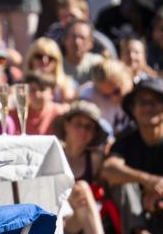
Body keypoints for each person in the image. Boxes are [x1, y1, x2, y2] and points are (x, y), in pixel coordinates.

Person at [101, 77, 163, 234]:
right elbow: (108, 169)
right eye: (142, 102)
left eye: (154, 102)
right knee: (122, 183)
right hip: (135, 213)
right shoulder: (126, 140)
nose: (148, 108)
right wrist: (148, 181)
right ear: (133, 109)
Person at [52, 100, 108, 234]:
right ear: (66, 126)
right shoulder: (53, 151)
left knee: (82, 189)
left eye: (88, 127)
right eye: (78, 124)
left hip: (79, 220)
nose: (83, 130)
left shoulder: (96, 159)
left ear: (94, 133)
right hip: (55, 218)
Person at [78, 58, 134, 136]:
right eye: (106, 96)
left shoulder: (143, 93)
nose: (113, 98)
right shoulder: (90, 95)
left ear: (127, 78)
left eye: (116, 91)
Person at [11, 71, 69, 135]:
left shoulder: (60, 114)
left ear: (52, 93)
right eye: (33, 90)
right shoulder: (16, 115)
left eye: (42, 89)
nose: (37, 94)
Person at [24, 37, 76, 102]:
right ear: (31, 60)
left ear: (57, 61)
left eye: (50, 57)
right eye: (39, 56)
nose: (44, 61)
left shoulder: (66, 85)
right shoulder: (21, 86)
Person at [62, 19, 104, 86]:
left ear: (91, 43)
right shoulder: (54, 64)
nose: (77, 42)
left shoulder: (98, 64)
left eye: (82, 37)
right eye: (73, 36)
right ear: (64, 39)